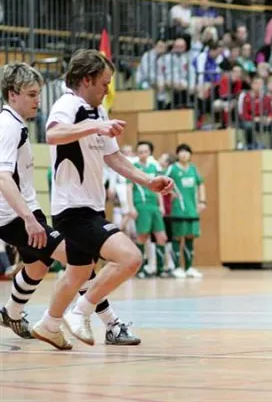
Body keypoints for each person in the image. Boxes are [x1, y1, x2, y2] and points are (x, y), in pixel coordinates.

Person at [33, 49, 174, 347]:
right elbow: (53, 135)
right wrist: (96, 126)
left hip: (91, 206)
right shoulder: (68, 104)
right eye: (104, 83)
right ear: (86, 80)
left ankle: (49, 324)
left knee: (78, 273)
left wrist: (148, 181)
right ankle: (80, 312)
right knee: (130, 258)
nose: (107, 89)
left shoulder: (98, 111)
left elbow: (114, 157)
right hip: (73, 209)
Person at [0, 62, 137, 349]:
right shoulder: (8, 125)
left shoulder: (16, 123)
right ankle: (110, 323)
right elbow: (2, 176)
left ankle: (12, 312)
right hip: (12, 215)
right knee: (78, 260)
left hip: (25, 210)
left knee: (38, 266)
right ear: (12, 94)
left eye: (38, 94)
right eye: (31, 94)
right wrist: (28, 219)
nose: (38, 101)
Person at [128, 141, 169, 278]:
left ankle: (160, 269)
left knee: (162, 237)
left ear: (149, 152)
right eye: (140, 152)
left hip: (154, 206)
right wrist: (131, 207)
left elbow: (158, 188)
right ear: (137, 153)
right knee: (142, 236)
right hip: (141, 205)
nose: (143, 154)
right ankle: (138, 270)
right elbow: (129, 188)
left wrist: (161, 205)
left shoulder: (153, 167)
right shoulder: (134, 167)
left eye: (145, 151)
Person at [165, 144, 205, 279]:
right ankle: (177, 268)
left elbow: (201, 184)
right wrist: (170, 193)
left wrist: (202, 201)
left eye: (187, 152)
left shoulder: (193, 169)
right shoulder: (172, 168)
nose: (184, 154)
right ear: (177, 154)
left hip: (192, 209)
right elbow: (163, 182)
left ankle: (189, 268)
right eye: (181, 152)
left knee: (190, 237)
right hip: (178, 209)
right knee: (177, 237)